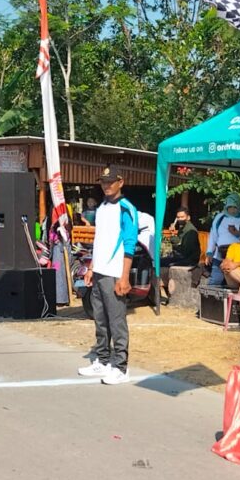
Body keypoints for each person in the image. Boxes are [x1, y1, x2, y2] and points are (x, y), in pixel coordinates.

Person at [79, 165, 138, 385]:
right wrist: (92, 267)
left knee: (116, 321)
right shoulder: (102, 208)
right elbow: (99, 241)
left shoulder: (126, 208)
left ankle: (121, 367)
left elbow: (130, 244)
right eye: (103, 182)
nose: (106, 185)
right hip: (100, 270)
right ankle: (102, 360)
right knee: (100, 319)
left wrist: (124, 277)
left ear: (120, 182)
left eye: (110, 182)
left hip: (115, 272)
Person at [206, 194, 240, 286]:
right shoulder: (219, 217)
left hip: (237, 255)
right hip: (220, 253)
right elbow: (213, 235)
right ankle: (210, 300)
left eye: (235, 207)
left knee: (235, 282)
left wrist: (237, 233)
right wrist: (209, 252)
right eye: (230, 207)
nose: (232, 209)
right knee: (216, 279)